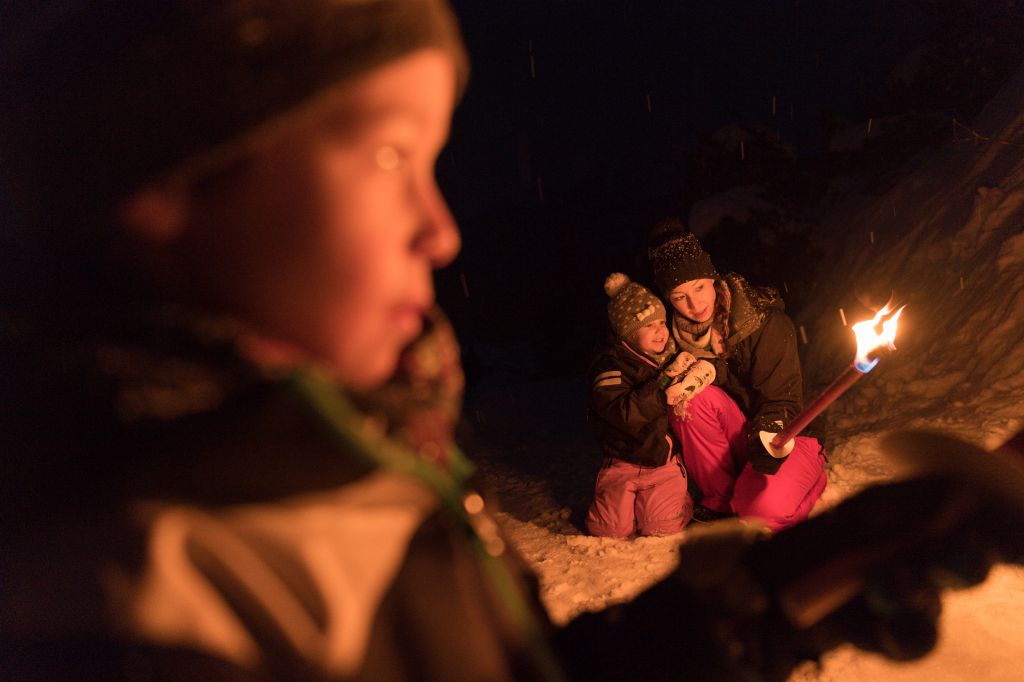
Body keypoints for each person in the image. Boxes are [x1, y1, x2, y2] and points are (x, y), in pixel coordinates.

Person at [2, 2, 1023, 681]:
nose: (439, 229)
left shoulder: (321, 478)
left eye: (435, 161)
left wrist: (792, 590)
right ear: (164, 188)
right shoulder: (135, 590)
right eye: (387, 153)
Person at [650, 228, 828, 530]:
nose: (694, 305)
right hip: (740, 438)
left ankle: (809, 476)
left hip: (786, 435)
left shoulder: (765, 323)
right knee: (689, 397)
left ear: (714, 281)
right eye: (680, 297)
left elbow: (782, 401)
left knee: (763, 512)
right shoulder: (673, 340)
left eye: (699, 288)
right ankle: (720, 498)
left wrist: (768, 439)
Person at [586, 273, 715, 538]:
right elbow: (622, 413)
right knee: (608, 529)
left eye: (661, 322)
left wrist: (690, 374)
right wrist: (661, 390)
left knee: (661, 526)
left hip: (662, 462)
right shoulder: (609, 366)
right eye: (649, 326)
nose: (661, 331)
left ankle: (678, 501)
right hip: (622, 463)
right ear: (629, 333)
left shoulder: (668, 357)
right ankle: (625, 508)